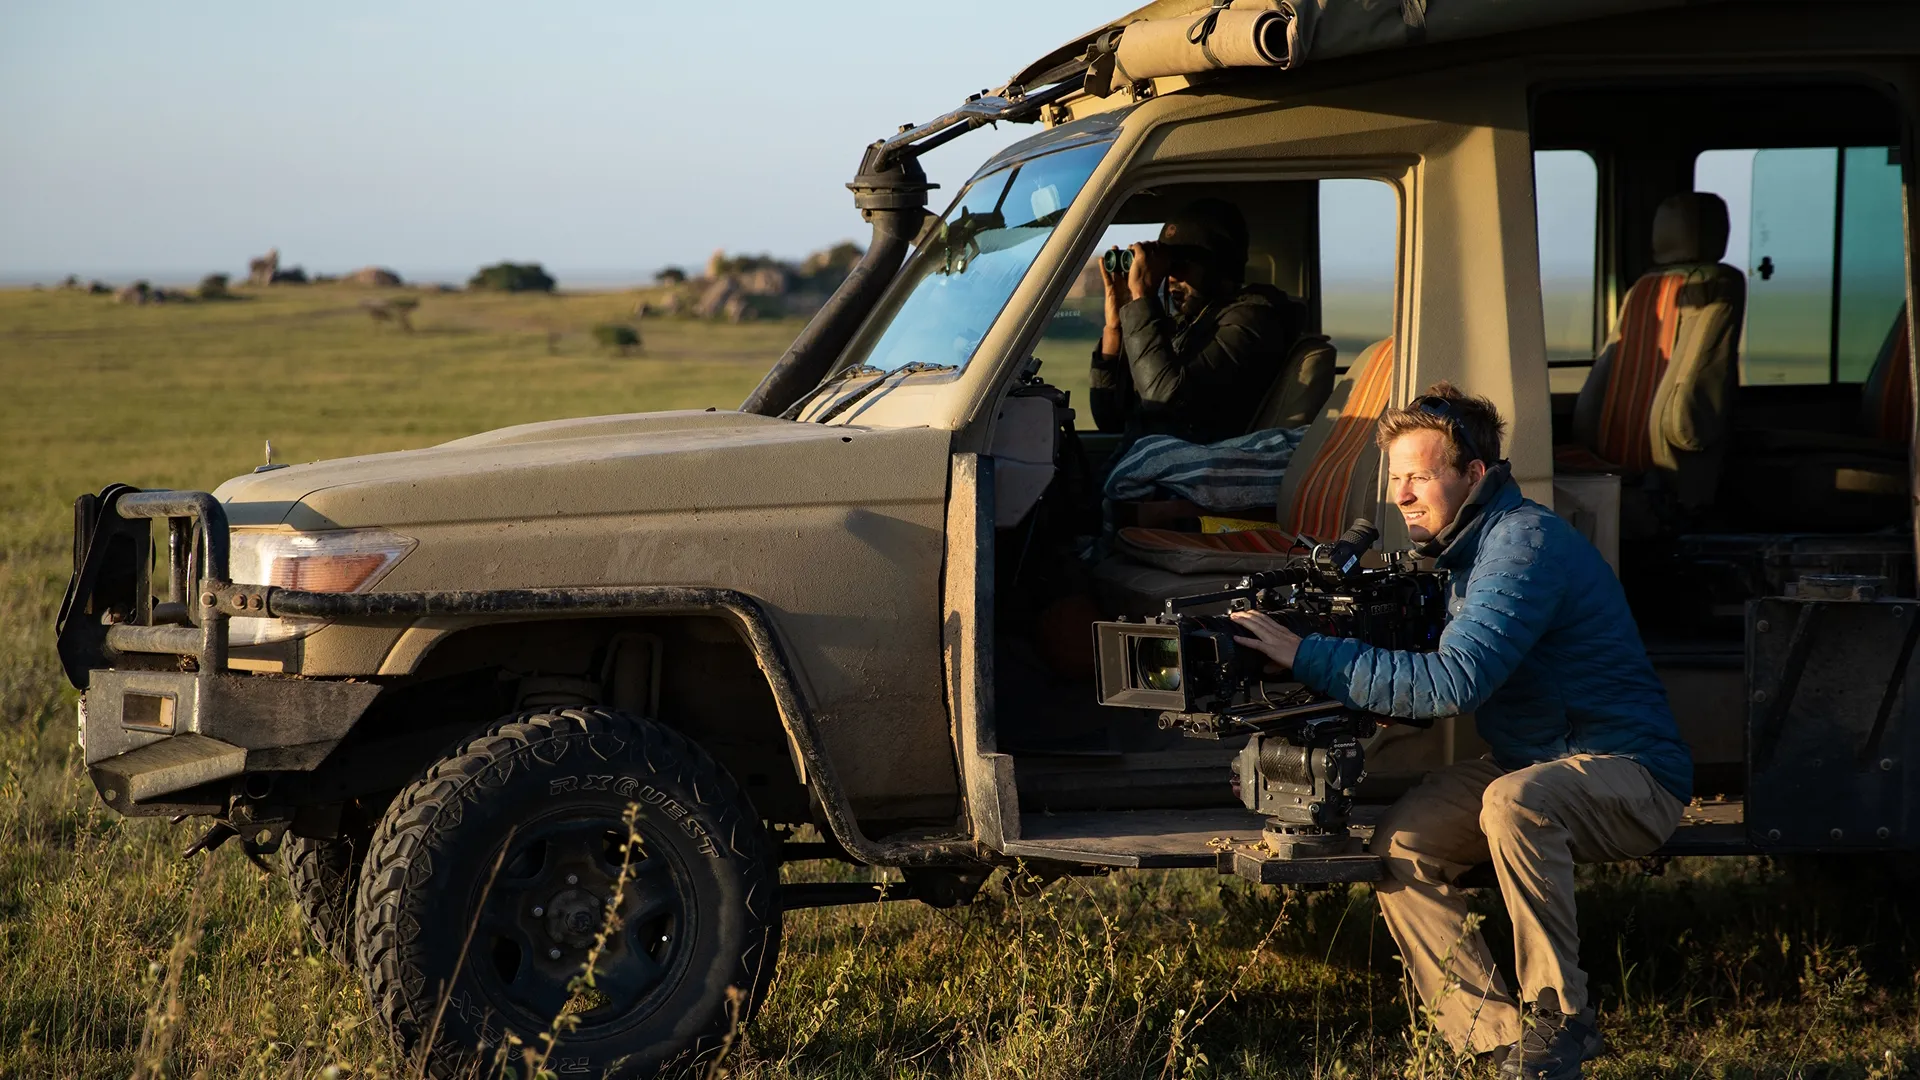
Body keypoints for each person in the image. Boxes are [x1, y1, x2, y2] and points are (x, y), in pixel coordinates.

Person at [1227, 383, 1693, 1080]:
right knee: (1404, 841)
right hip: (1531, 762)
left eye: (1420, 476)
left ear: (1475, 474)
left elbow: (1454, 684)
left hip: (1629, 773)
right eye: (1395, 479)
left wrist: (1309, 656)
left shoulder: (1524, 544)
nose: (1402, 495)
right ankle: (1497, 1041)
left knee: (1517, 802)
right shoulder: (1459, 554)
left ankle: (1561, 1019)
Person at [1088, 198, 1300, 449]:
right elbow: (1108, 419)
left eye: (1181, 264)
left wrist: (1142, 301)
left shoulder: (1253, 323)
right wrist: (1116, 328)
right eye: (1167, 264)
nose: (1171, 276)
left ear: (1219, 266)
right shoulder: (1189, 323)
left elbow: (1165, 399)